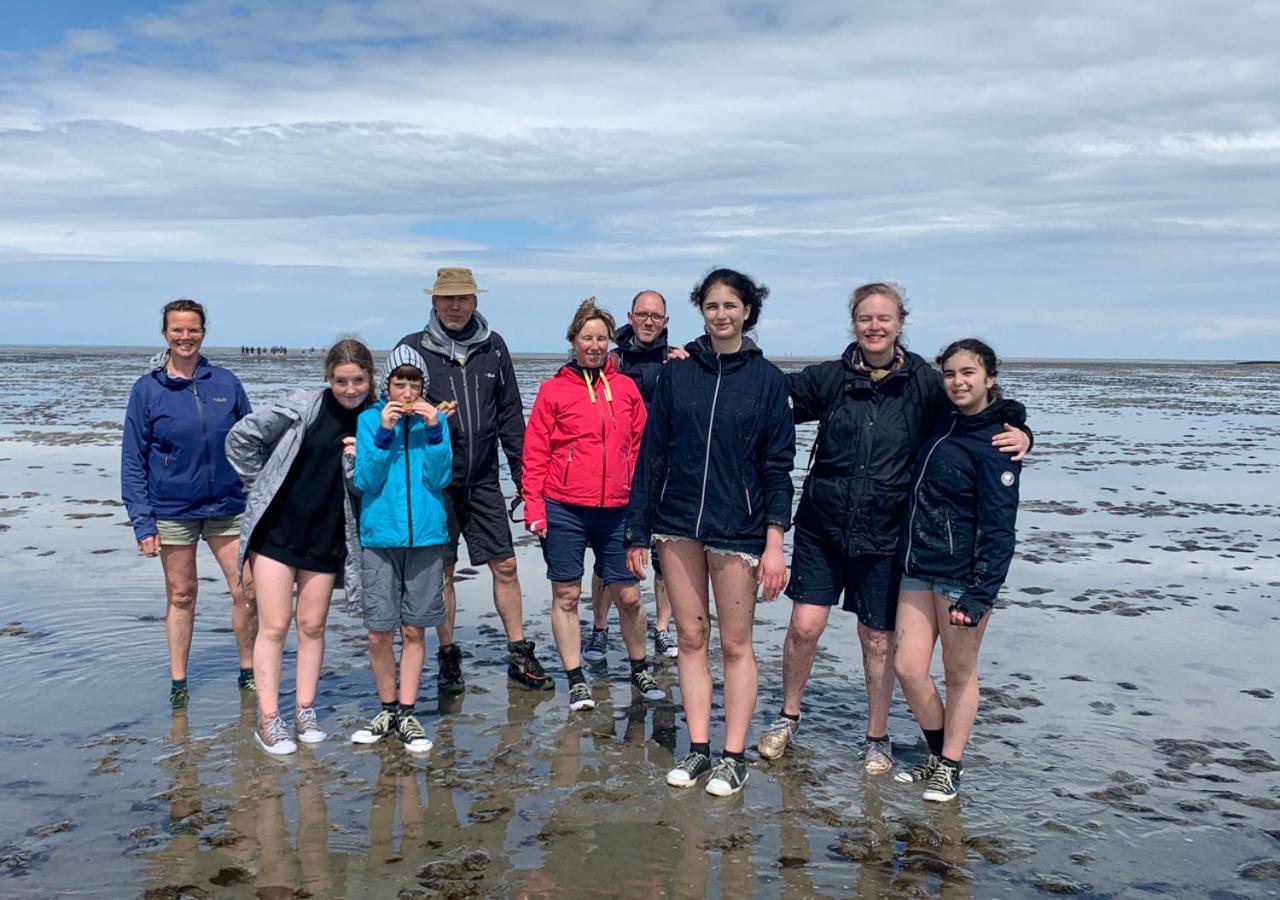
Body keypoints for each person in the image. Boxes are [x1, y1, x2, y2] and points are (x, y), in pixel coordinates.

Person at [757, 283, 1031, 774]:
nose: (874, 327)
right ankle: (787, 716)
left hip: (887, 535)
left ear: (900, 323)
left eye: (884, 318)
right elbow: (769, 394)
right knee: (804, 627)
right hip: (823, 526)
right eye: (865, 319)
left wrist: (1019, 424)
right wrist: (696, 363)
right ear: (854, 324)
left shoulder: (924, 382)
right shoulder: (831, 377)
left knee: (879, 642)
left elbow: (975, 408)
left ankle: (877, 737)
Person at [626, 268, 795, 797]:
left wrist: (774, 542)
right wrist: (636, 532)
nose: (721, 314)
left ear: (748, 311)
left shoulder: (767, 380)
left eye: (731, 305)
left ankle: (732, 755)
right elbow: (651, 456)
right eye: (712, 306)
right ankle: (698, 750)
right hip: (675, 524)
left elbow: (777, 468)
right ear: (701, 311)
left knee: (736, 644)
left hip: (738, 529)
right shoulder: (678, 374)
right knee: (692, 638)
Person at [393, 267, 551, 692]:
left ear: (475, 302)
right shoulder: (412, 350)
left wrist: (524, 481)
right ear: (434, 302)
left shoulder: (493, 348)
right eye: (447, 299)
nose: (455, 306)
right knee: (443, 570)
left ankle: (518, 651)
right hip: (434, 483)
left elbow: (509, 418)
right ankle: (448, 656)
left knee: (506, 564)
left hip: (483, 480)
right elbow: (390, 414)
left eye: (463, 298)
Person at [226, 339, 374, 755]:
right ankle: (269, 718)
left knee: (312, 627)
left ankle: (304, 711)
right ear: (329, 379)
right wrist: (260, 487)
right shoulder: (303, 406)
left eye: (358, 380)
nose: (350, 389)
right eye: (342, 381)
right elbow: (240, 438)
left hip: (327, 536)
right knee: (274, 626)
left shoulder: (376, 419)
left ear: (370, 378)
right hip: (277, 533)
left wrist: (362, 458)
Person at [892, 339, 1023, 802]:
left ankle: (951, 765)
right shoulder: (942, 421)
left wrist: (980, 594)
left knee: (958, 673)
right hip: (917, 567)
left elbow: (1000, 530)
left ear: (989, 378)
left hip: (962, 577)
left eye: (968, 372)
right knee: (907, 667)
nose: (957, 382)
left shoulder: (998, 445)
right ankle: (936, 752)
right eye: (949, 373)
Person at [522, 298, 661, 712]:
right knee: (566, 595)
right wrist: (535, 509)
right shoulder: (552, 389)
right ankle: (576, 678)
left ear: (610, 342)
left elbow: (640, 449)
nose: (595, 345)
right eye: (587, 337)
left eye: (602, 338)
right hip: (564, 507)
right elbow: (535, 454)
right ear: (573, 340)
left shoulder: (626, 388)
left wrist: (642, 507)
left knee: (630, 596)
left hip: (618, 510)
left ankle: (639, 668)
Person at [121, 298, 259, 709]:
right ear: (165, 333)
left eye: (193, 329)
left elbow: (251, 442)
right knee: (182, 595)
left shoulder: (226, 382)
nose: (185, 336)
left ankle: (248, 671)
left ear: (204, 331)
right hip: (172, 510)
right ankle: (179, 681)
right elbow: (132, 459)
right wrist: (142, 523)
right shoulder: (148, 389)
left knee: (247, 591)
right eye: (177, 330)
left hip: (229, 507)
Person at [350, 345, 453, 753]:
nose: (407, 391)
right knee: (379, 632)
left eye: (414, 383)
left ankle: (408, 712)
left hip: (427, 536)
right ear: (386, 386)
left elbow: (440, 477)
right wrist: (383, 435)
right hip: (380, 536)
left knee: (415, 628)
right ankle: (386, 708)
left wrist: (433, 431)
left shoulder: (437, 420)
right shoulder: (369, 419)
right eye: (399, 382)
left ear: (422, 387)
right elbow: (366, 481)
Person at [585, 289, 681, 663]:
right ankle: (599, 628)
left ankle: (662, 628)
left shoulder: (679, 361)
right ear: (630, 316)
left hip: (664, 473)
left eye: (656, 316)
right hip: (619, 474)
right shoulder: (612, 361)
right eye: (642, 314)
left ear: (665, 321)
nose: (648, 321)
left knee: (665, 555)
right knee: (607, 559)